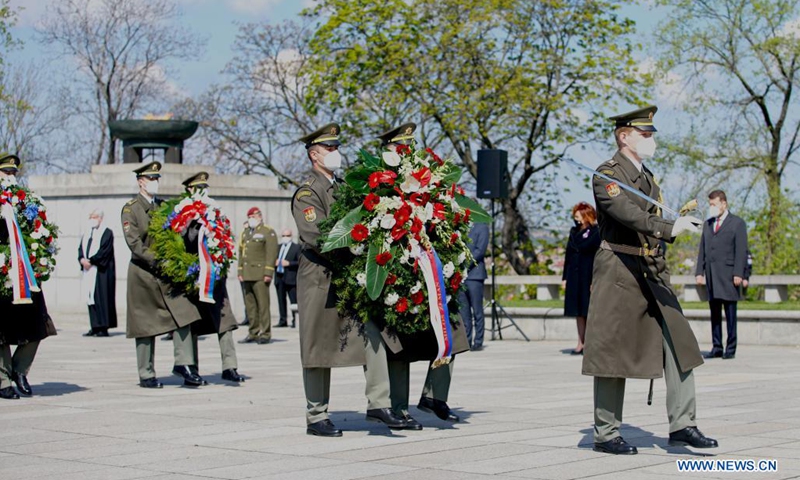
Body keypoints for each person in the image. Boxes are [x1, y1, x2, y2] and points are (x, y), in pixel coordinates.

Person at [583, 105, 718, 455]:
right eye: (645, 134)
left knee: (680, 343)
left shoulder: (649, 178)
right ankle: (606, 432)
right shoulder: (606, 176)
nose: (651, 139)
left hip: (650, 270)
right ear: (624, 136)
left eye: (651, 133)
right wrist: (669, 227)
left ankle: (683, 424)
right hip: (619, 268)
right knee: (612, 351)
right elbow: (628, 215)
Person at [292, 122, 405, 437]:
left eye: (336, 147)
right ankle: (316, 416)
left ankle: (378, 404)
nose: (335, 152)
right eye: (329, 148)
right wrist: (356, 245)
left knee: (372, 332)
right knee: (318, 345)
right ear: (315, 155)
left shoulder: (341, 186)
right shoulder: (307, 191)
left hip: (349, 276)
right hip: (319, 277)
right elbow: (315, 235)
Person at [375, 123, 471, 427]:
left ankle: (434, 396)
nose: (407, 151)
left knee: (449, 333)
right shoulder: (379, 180)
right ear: (389, 149)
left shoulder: (427, 179)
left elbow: (443, 212)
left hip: (431, 265)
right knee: (398, 344)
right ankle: (398, 408)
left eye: (410, 146)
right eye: (402, 147)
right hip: (399, 267)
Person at [121, 161, 204, 388]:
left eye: (157, 179)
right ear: (140, 182)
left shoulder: (164, 207)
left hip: (167, 274)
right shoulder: (131, 209)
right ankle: (146, 373)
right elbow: (135, 244)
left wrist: (193, 229)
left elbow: (176, 235)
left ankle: (184, 364)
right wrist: (159, 260)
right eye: (151, 179)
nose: (156, 183)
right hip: (143, 274)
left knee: (185, 313)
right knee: (145, 325)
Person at [0, 153, 57, 399]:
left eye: (14, 173)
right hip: (3, 275)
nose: (11, 176)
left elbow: (42, 233)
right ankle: (3, 378)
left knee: (38, 325)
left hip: (26, 274)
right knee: (0, 330)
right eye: (6, 172)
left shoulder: (28, 201)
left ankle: (20, 370)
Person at [181, 172, 244, 383]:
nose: (202, 192)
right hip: (193, 276)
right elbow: (184, 240)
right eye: (198, 188)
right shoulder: (182, 212)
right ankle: (192, 368)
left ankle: (230, 366)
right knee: (192, 323)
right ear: (190, 190)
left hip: (215, 276)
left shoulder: (215, 212)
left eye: (204, 187)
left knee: (225, 321)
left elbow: (226, 238)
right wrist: (197, 226)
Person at [695, 190, 748, 360]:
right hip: (712, 275)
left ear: (723, 204)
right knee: (714, 312)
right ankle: (717, 346)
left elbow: (741, 250)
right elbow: (702, 249)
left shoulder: (737, 223)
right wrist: (699, 272)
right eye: (710, 204)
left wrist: (739, 272)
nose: (711, 207)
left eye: (714, 204)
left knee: (730, 313)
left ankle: (730, 348)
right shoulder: (708, 224)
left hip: (729, 274)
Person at [561, 202, 600, 355]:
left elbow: (598, 257)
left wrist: (595, 279)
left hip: (588, 275)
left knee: (588, 310)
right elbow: (568, 255)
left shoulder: (596, 232)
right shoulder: (573, 231)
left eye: (578, 215)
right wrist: (565, 277)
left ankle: (591, 343)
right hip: (574, 276)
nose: (576, 218)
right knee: (578, 311)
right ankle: (580, 342)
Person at [237, 207, 278, 344]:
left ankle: (265, 333)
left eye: (253, 216)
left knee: (263, 305)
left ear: (259, 216)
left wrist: (268, 272)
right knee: (250, 306)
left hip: (260, 274)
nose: (251, 219)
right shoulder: (246, 233)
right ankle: (253, 332)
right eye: (249, 216)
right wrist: (240, 271)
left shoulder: (267, 231)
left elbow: (271, 254)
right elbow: (242, 254)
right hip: (247, 274)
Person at [78, 208, 117, 337]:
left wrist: (92, 260)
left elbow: (104, 251)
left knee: (102, 298)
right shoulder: (87, 233)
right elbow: (81, 249)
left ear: (100, 218)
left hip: (101, 271)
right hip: (89, 270)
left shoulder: (107, 233)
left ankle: (103, 327)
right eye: (91, 217)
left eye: (94, 217)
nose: (92, 219)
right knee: (91, 299)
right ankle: (94, 326)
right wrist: (82, 259)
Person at [459, 221, 489, 351]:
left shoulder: (482, 227)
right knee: (464, 311)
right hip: (460, 277)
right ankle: (466, 340)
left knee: (477, 310)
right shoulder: (461, 227)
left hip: (475, 275)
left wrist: (465, 265)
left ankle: (478, 341)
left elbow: (480, 250)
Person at [274, 228, 300, 328]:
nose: (285, 238)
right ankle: (283, 320)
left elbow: (299, 262)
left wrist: (289, 263)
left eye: (287, 236)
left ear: (291, 236)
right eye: (283, 236)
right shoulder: (278, 247)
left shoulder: (296, 247)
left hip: (291, 277)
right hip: (279, 276)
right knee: (281, 299)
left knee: (293, 300)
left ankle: (295, 320)